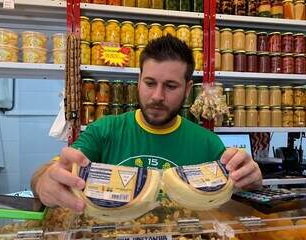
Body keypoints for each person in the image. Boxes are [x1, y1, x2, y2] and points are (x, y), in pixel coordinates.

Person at [31, 35, 262, 213]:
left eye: (170, 86)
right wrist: (43, 182)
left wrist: (252, 181)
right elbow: (49, 173)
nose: (157, 96)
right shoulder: (104, 131)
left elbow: (239, 190)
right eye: (150, 83)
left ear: (188, 89)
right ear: (139, 80)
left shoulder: (208, 143)